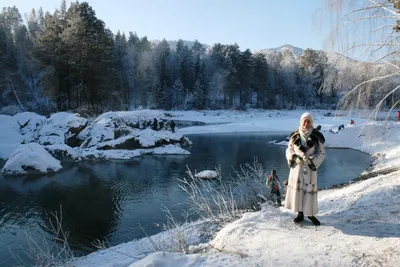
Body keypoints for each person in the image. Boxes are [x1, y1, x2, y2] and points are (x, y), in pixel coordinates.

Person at [285, 112, 326, 226]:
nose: (306, 123)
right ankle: (300, 213)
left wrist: (311, 162)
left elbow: (321, 153)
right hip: (297, 169)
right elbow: (289, 150)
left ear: (311, 123)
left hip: (309, 169)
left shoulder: (317, 136)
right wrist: (293, 158)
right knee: (298, 191)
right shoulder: (294, 136)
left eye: (308, 121)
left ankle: (311, 214)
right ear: (301, 122)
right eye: (304, 121)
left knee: (309, 192)